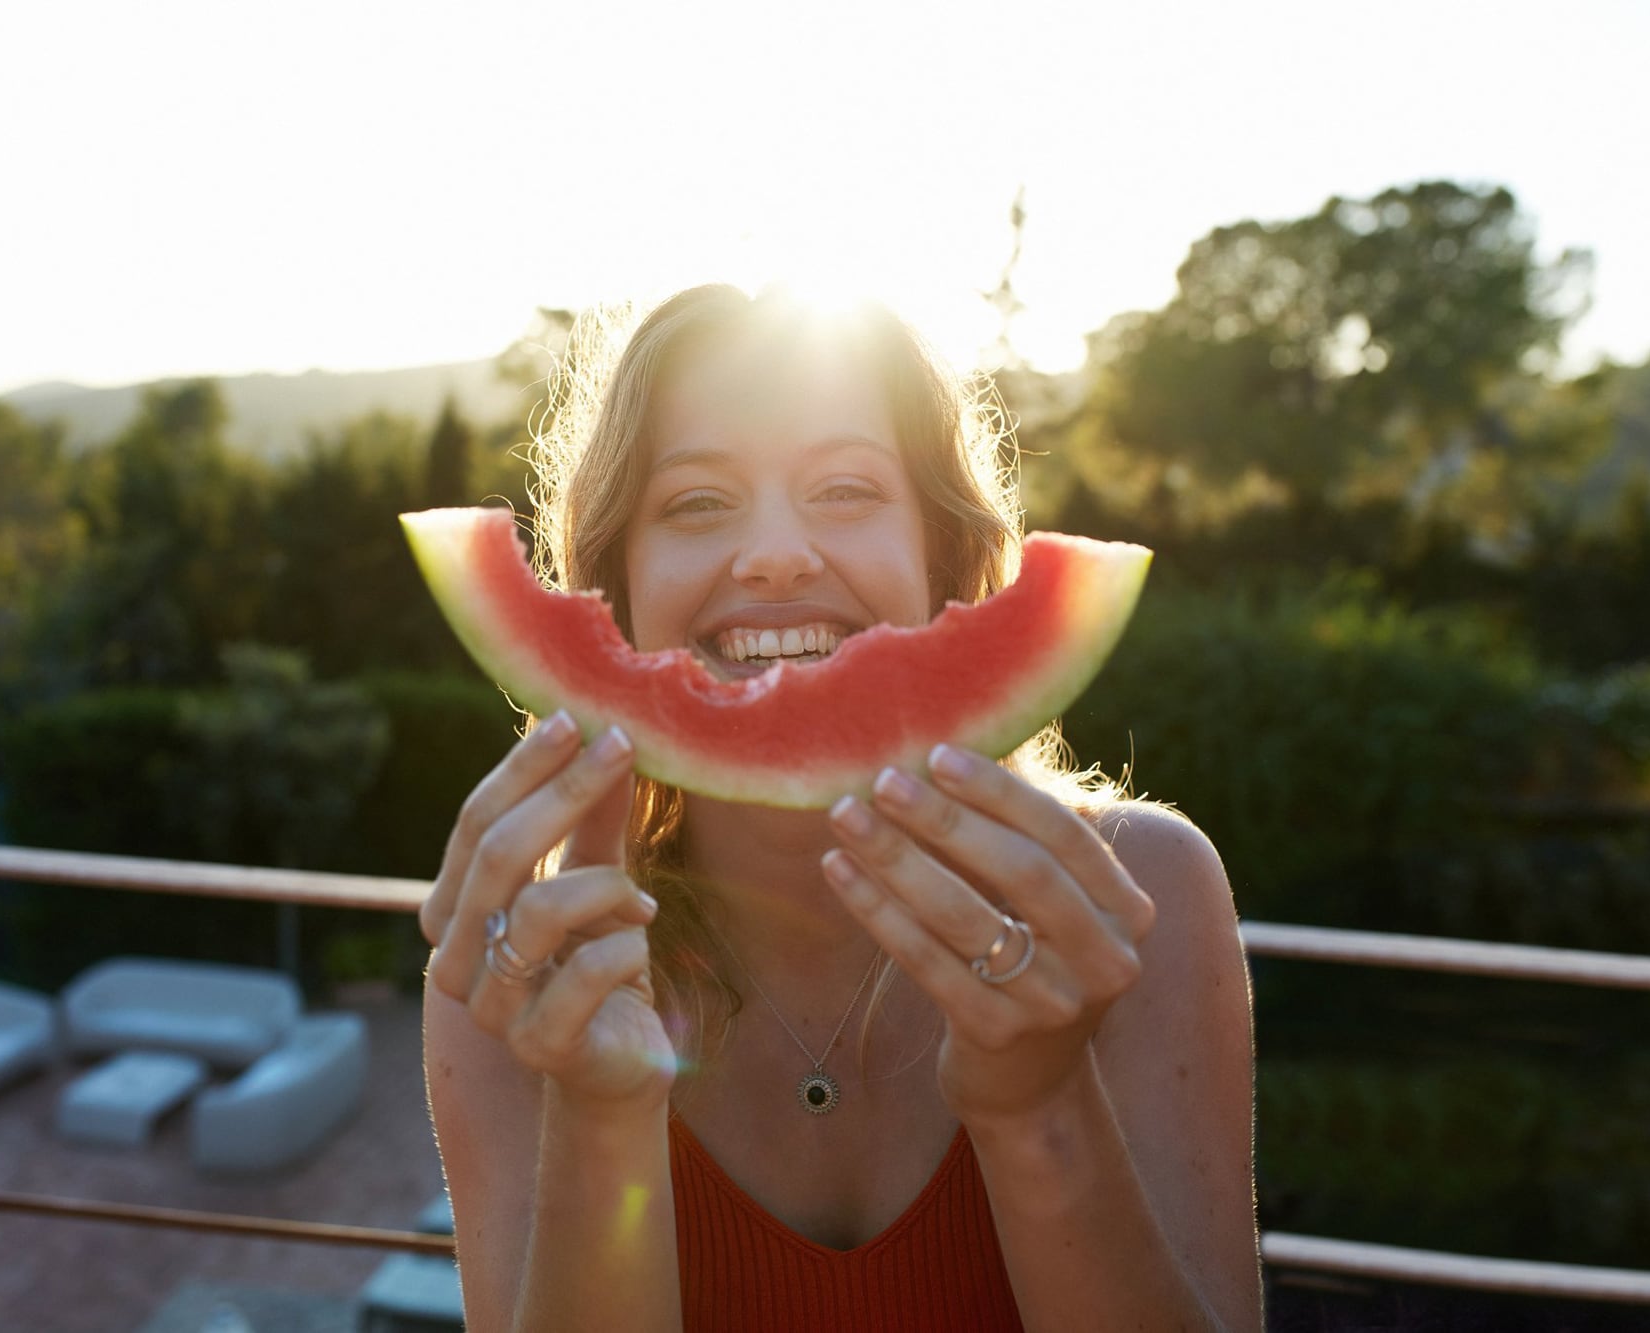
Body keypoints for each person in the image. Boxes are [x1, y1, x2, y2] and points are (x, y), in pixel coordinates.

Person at [419, 284, 1260, 1331]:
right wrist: (600, 1115)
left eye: (846, 489)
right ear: (616, 591)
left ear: (942, 563)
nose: (774, 553)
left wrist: (1037, 1107)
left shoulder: (1144, 895)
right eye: (695, 502)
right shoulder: (515, 969)